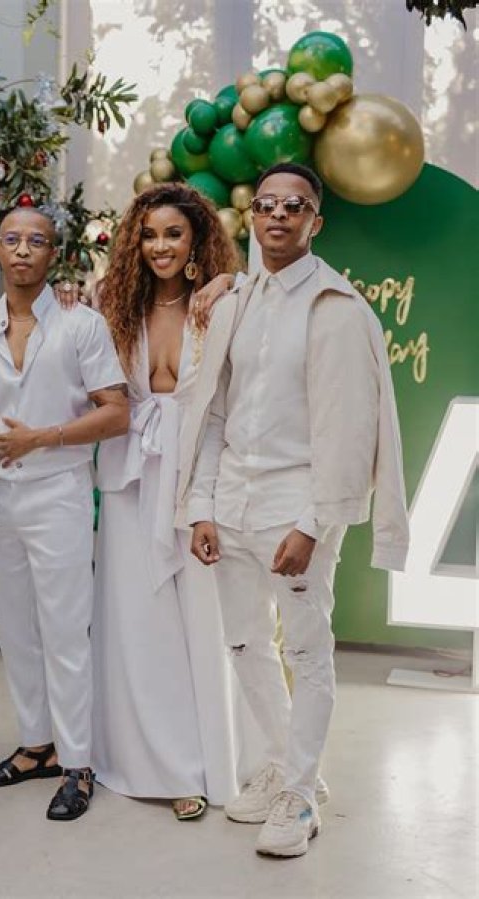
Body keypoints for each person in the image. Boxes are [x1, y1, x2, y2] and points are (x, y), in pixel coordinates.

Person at [179, 162, 409, 856]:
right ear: (252, 217)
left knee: (306, 648)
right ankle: (286, 765)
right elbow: (214, 412)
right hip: (231, 500)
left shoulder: (339, 309)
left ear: (316, 222)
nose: (278, 214)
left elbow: (350, 431)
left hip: (296, 505)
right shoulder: (235, 302)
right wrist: (200, 505)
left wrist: (313, 524)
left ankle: (301, 797)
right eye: (267, 204)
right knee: (244, 642)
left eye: (295, 205)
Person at [91, 182, 245, 820]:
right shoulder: (113, 305)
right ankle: (151, 763)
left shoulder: (222, 304)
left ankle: (206, 763)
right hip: (132, 476)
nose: (160, 246)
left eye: (174, 234)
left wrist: (232, 281)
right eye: (149, 235)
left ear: (196, 241)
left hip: (196, 474)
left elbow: (268, 303)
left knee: (202, 623)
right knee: (136, 620)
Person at [0, 206, 129, 821]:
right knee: (15, 630)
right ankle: (35, 746)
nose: (22, 249)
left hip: (58, 492)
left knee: (65, 632)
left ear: (52, 253)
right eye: (11, 239)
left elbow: (116, 412)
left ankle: (77, 762)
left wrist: (42, 438)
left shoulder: (81, 325)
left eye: (35, 240)